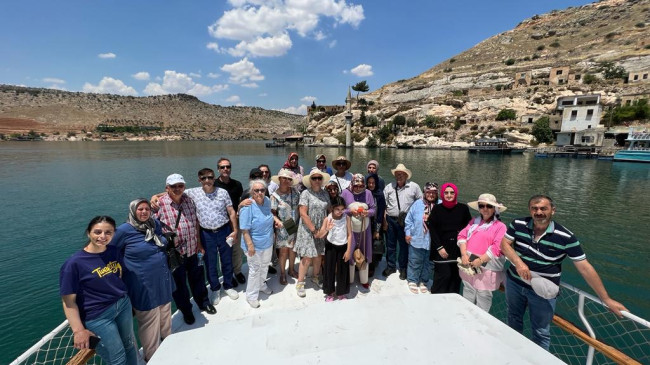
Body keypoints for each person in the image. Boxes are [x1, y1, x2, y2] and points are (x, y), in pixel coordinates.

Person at [500, 194, 627, 350]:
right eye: (535, 208)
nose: (539, 212)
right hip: (514, 283)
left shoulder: (566, 237)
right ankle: (512, 353)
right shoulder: (518, 224)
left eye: (543, 208)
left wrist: (606, 299)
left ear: (553, 210)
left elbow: (585, 267)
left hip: (543, 292)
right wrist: (519, 263)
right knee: (513, 319)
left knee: (540, 332)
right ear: (530, 210)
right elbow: (505, 244)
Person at [60, 216, 139, 365]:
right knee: (116, 358)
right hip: (98, 317)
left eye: (108, 232)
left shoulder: (114, 251)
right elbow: (68, 302)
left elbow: (119, 276)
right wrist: (78, 331)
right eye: (97, 232)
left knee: (129, 346)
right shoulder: (74, 264)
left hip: (122, 305)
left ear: (113, 234)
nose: (103, 236)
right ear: (89, 233)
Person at [112, 199, 173, 362]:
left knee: (165, 312)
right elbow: (110, 253)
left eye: (147, 209)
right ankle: (153, 356)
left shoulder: (155, 224)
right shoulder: (124, 230)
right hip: (142, 283)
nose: (144, 212)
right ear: (133, 211)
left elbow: (161, 240)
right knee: (149, 320)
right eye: (140, 209)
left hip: (162, 278)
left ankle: (169, 343)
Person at [155, 174, 215, 325]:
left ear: (184, 186)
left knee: (198, 278)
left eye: (180, 186)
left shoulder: (189, 200)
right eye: (173, 186)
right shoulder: (158, 205)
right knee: (179, 285)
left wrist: (200, 244)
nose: (177, 189)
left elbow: (195, 223)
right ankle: (186, 310)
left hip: (193, 248)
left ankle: (203, 302)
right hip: (175, 254)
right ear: (166, 188)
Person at [184, 168, 239, 305]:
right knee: (210, 263)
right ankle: (215, 288)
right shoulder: (193, 193)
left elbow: (231, 212)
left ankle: (228, 285)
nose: (207, 180)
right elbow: (175, 192)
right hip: (206, 233)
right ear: (199, 180)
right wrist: (156, 197)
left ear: (214, 178)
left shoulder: (223, 192)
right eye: (204, 178)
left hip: (224, 230)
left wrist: (235, 230)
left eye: (210, 177)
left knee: (227, 260)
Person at [458, 193, 508, 311]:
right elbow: (462, 236)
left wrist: (480, 260)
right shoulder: (474, 221)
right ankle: (466, 317)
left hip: (487, 267)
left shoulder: (500, 226)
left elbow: (497, 247)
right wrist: (464, 255)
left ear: (495, 208)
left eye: (489, 206)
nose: (485, 209)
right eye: (482, 206)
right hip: (468, 264)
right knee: (468, 290)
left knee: (483, 296)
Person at [428, 183, 471, 294]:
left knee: (455, 279)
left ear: (456, 194)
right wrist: (439, 247)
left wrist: (465, 251)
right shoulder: (437, 209)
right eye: (446, 192)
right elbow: (432, 229)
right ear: (442, 194)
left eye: (452, 192)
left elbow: (469, 229)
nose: (449, 195)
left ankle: (452, 304)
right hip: (441, 249)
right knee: (442, 277)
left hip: (457, 249)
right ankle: (436, 302)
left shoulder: (463, 208)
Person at [294, 168, 330, 297]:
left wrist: (324, 229)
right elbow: (303, 213)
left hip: (322, 229)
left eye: (319, 178)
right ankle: (300, 282)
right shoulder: (305, 193)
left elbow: (328, 211)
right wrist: (314, 230)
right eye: (314, 178)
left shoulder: (325, 194)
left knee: (319, 254)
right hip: (307, 229)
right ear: (310, 180)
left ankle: (315, 277)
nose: (317, 180)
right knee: (307, 256)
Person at [382, 163, 422, 280]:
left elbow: (420, 202)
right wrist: (384, 220)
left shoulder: (414, 187)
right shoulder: (389, 187)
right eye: (397, 174)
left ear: (406, 175)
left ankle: (403, 268)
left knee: (404, 245)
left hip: (406, 221)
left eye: (402, 174)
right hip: (390, 219)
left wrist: (416, 219)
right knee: (391, 244)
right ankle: (391, 266)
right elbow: (383, 205)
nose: (399, 176)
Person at [239, 179, 275, 308]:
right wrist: (250, 245)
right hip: (253, 245)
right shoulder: (247, 206)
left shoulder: (267, 201)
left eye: (262, 190)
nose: (259, 192)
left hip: (268, 241)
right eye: (256, 190)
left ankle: (261, 285)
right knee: (255, 269)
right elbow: (244, 229)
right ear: (251, 192)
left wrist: (276, 220)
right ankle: (251, 296)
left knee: (265, 265)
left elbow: (269, 214)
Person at [214, 157, 247, 288]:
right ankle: (228, 275)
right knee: (224, 252)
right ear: (218, 169)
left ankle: (238, 272)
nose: (225, 169)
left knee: (237, 250)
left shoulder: (237, 185)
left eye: (227, 166)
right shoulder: (213, 185)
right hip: (221, 224)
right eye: (222, 167)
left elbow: (240, 201)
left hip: (236, 222)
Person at [340, 174, 375, 291]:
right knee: (349, 252)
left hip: (365, 230)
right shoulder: (345, 193)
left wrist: (367, 213)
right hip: (350, 230)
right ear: (352, 184)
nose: (358, 188)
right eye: (356, 186)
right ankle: (349, 279)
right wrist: (349, 211)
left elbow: (373, 209)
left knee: (364, 253)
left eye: (361, 186)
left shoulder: (368, 194)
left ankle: (364, 280)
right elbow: (339, 210)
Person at [315, 196, 352, 301]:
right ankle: (330, 292)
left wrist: (349, 250)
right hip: (331, 246)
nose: (340, 212)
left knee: (343, 270)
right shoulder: (328, 218)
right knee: (329, 269)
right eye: (337, 209)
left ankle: (341, 292)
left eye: (342, 209)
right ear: (332, 208)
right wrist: (327, 228)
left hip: (343, 246)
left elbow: (349, 234)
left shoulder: (347, 218)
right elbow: (321, 235)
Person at [404, 182, 438, 294]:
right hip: (417, 238)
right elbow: (408, 220)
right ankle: (412, 280)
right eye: (428, 192)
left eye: (433, 192)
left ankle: (424, 280)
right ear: (424, 192)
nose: (431, 195)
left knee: (428, 262)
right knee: (414, 260)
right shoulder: (417, 204)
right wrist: (408, 233)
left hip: (432, 241)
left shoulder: (440, 205)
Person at [270, 169, 300, 285]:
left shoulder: (295, 192)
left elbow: (299, 208)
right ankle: (282, 273)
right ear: (279, 179)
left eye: (289, 179)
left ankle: (292, 270)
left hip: (294, 225)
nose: (286, 181)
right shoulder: (274, 196)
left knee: (293, 250)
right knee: (283, 252)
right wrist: (277, 220)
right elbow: (272, 213)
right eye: (284, 178)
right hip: (282, 226)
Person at [365, 173, 386, 277]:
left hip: (375, 224)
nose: (371, 185)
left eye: (373, 183)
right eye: (369, 183)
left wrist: (377, 230)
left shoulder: (380, 195)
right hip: (365, 224)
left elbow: (381, 213)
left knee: (372, 246)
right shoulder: (364, 193)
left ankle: (371, 267)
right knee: (365, 245)